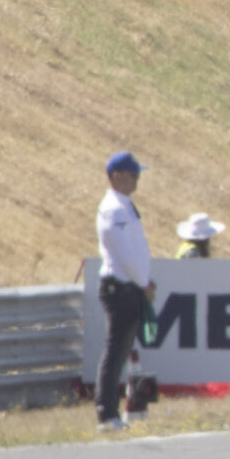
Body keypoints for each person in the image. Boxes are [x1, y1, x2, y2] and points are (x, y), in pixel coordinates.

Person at [94, 152, 154, 433]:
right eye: (133, 175)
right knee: (115, 351)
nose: (137, 180)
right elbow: (125, 254)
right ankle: (107, 413)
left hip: (129, 285)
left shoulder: (124, 206)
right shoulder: (114, 210)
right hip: (119, 286)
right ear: (116, 176)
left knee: (120, 352)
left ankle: (111, 412)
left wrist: (142, 281)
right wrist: (143, 282)